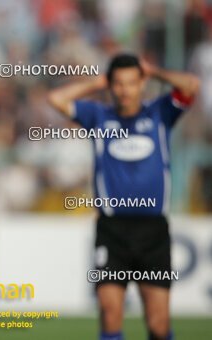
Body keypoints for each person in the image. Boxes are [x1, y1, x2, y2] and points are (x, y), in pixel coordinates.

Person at [47, 54, 200, 340]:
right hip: (112, 231)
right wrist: (96, 82)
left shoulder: (160, 113)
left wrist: (155, 70)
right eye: (118, 83)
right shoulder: (99, 117)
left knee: (158, 323)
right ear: (111, 85)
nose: (125, 90)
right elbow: (56, 98)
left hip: (153, 232)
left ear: (142, 84)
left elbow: (191, 85)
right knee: (110, 313)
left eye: (131, 83)